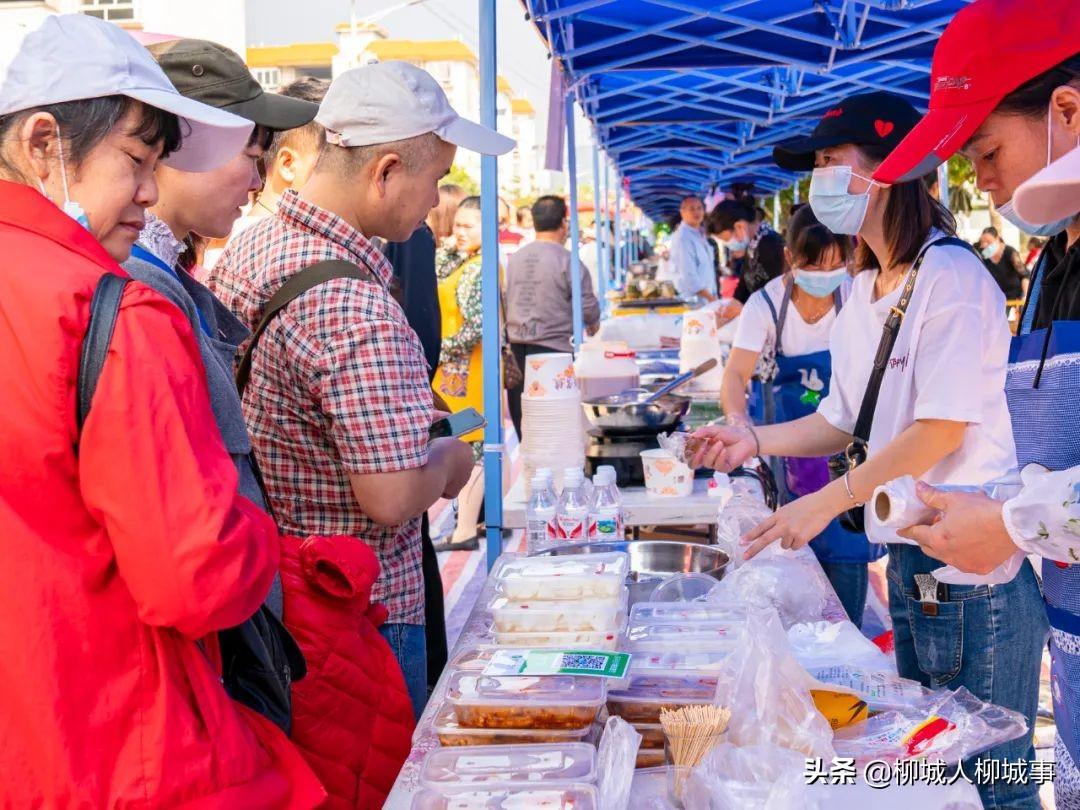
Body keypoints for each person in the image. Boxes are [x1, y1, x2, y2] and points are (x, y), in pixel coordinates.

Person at [0, 14, 324, 806]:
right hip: (119, 743)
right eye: (136, 160)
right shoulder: (111, 312)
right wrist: (249, 522)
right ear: (45, 144)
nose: (149, 191)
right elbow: (196, 578)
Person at [692, 90, 1046, 809]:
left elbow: (939, 431)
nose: (819, 178)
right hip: (915, 561)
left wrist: (824, 503)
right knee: (932, 770)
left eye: (830, 161)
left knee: (993, 780)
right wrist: (752, 436)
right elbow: (844, 419)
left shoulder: (950, 276)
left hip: (975, 575)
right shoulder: (864, 286)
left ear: (891, 170)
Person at [208, 61, 513, 717]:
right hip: (358, 610)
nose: (436, 200)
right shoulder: (355, 307)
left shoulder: (254, 247)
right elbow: (393, 493)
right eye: (436, 180)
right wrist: (452, 459)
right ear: (387, 171)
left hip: (277, 592)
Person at [868, 2, 1080, 803]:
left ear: (1067, 111)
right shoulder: (1052, 263)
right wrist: (987, 507)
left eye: (986, 149)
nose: (976, 179)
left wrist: (1011, 524)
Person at [720, 206, 884, 626]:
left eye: (835, 264)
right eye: (813, 264)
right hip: (788, 457)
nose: (825, 274)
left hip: (847, 459)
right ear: (791, 258)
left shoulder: (857, 298)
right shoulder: (766, 305)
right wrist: (738, 422)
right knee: (794, 582)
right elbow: (737, 372)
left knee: (845, 584)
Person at [505, 195, 602, 439]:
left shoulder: (515, 258)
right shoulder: (567, 260)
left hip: (516, 344)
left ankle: (529, 466)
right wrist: (592, 323)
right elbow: (588, 306)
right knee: (553, 417)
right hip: (553, 349)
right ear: (564, 224)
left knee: (524, 413)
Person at [431, 196, 495, 551]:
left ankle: (465, 529)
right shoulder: (461, 261)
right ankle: (464, 525)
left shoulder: (479, 269)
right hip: (453, 375)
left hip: (470, 374)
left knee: (473, 442)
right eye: (458, 224)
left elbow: (477, 326)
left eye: (469, 226)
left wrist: (437, 348)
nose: (460, 232)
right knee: (460, 439)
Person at [710, 199, 787, 304]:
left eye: (727, 240)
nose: (729, 245)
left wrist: (742, 309)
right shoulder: (752, 245)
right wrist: (734, 303)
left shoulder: (771, 244)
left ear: (739, 227)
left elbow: (775, 293)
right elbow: (744, 283)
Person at [663, 195, 717, 300]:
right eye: (692, 209)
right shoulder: (683, 238)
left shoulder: (700, 234)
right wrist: (711, 298)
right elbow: (689, 276)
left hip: (707, 298)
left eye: (699, 208)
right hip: (694, 300)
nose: (696, 212)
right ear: (682, 212)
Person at [977, 226, 1027, 299]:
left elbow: (1024, 275)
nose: (984, 245)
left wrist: (1025, 296)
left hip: (1014, 300)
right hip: (995, 299)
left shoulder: (1010, 252)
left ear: (997, 239)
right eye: (982, 242)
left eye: (988, 242)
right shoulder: (983, 256)